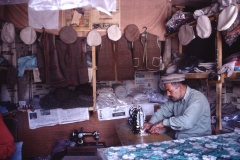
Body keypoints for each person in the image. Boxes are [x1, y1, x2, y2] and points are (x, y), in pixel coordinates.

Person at [143, 73, 212, 139]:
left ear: (179, 87)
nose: (167, 94)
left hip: (196, 139)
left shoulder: (197, 99)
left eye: (169, 91)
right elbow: (163, 111)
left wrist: (164, 123)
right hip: (179, 136)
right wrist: (151, 122)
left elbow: (187, 122)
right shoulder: (175, 98)